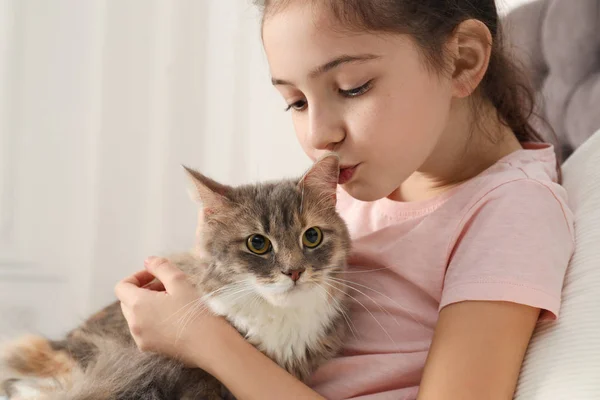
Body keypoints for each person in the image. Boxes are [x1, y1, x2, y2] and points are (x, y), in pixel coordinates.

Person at [114, 1, 575, 399]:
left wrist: (200, 339)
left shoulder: (510, 212)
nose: (319, 135)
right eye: (295, 101)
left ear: (462, 61)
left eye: (352, 86)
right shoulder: (360, 185)